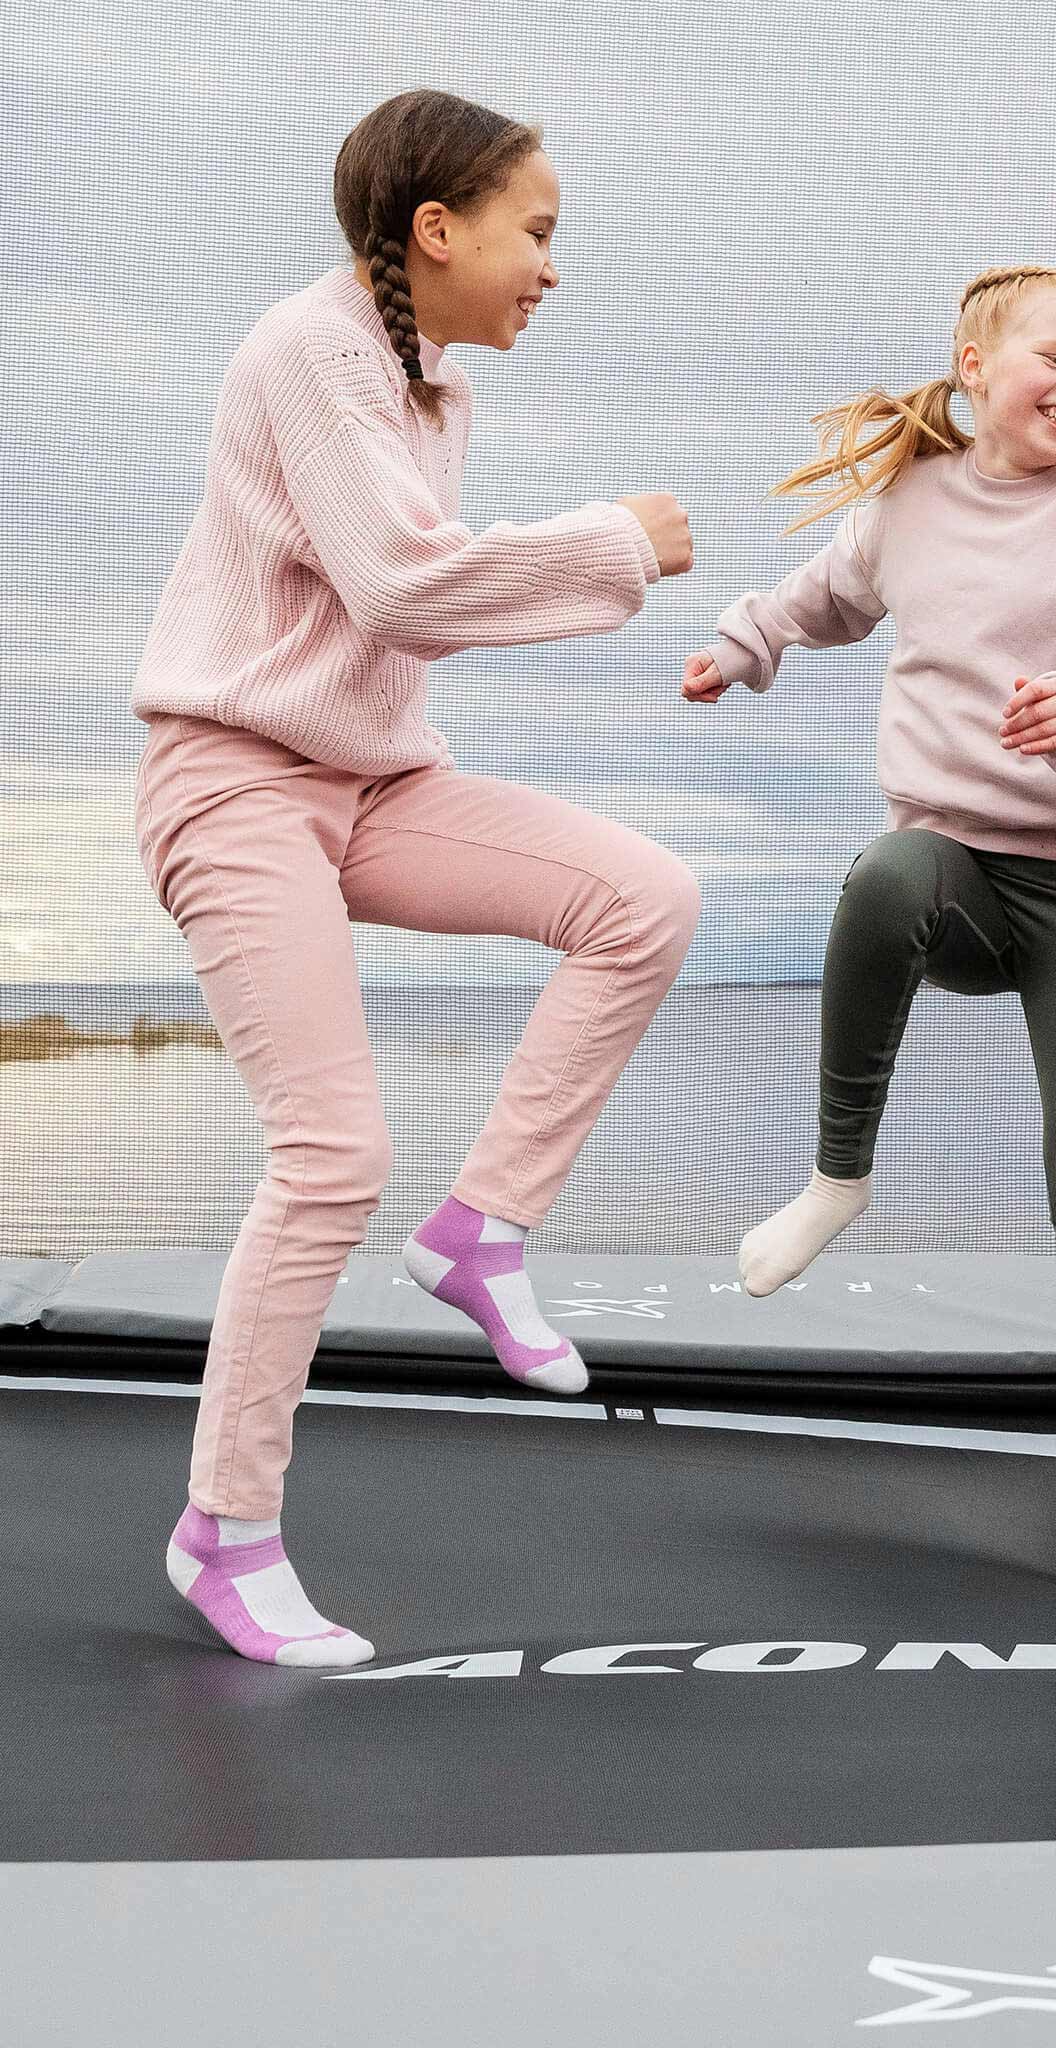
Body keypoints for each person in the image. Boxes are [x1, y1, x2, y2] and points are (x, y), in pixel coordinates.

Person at [132, 89, 700, 1666]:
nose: (551, 269)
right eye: (538, 231)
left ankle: (483, 1233)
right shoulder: (311, 351)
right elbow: (398, 584)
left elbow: (386, 605)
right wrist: (619, 544)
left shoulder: (422, 379)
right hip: (236, 782)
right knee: (329, 1155)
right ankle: (225, 1532)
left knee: (643, 897)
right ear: (435, 228)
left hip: (372, 779)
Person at [683, 264, 1056, 1597]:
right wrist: (744, 645)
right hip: (958, 882)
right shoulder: (908, 504)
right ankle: (838, 1179)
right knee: (885, 871)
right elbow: (825, 597)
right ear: (976, 365)